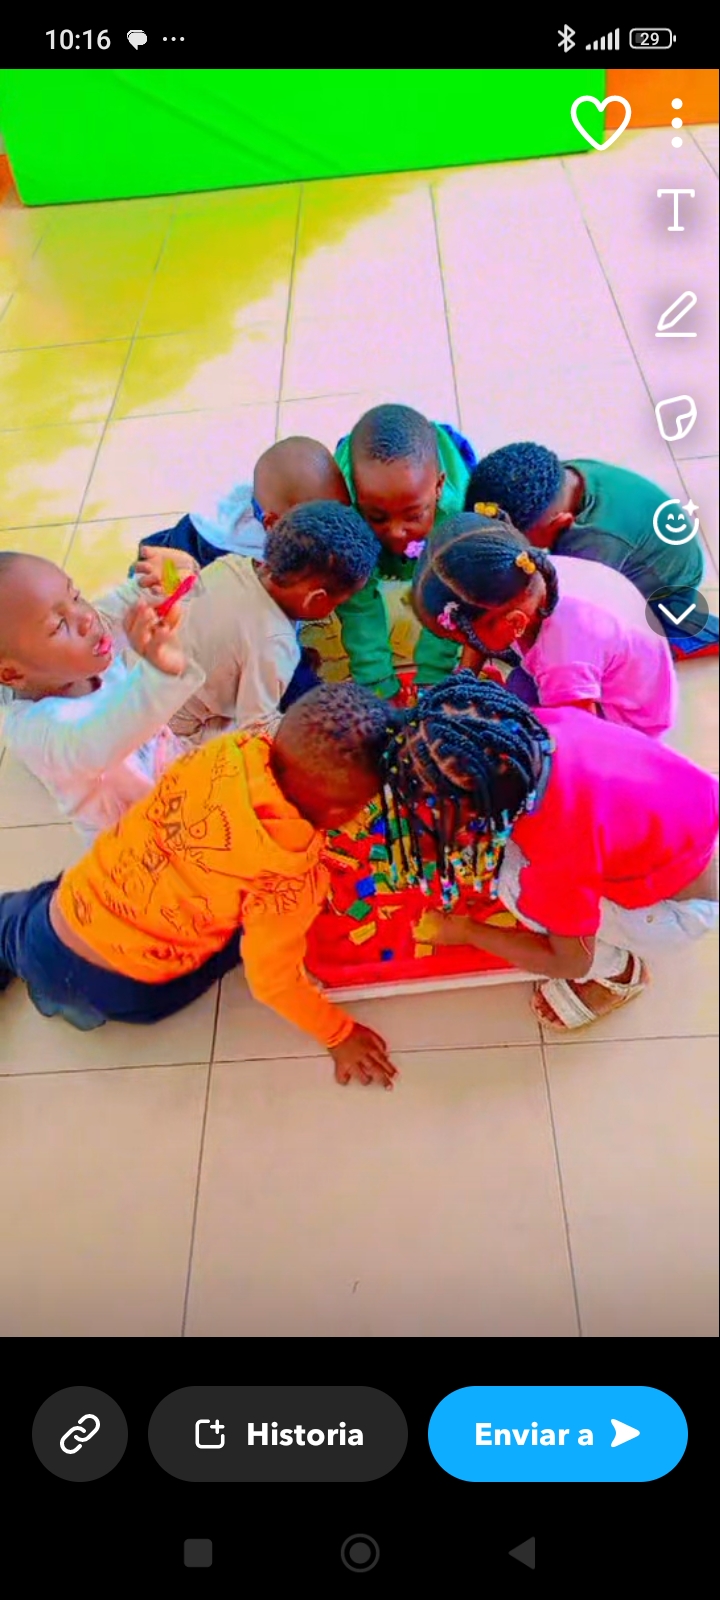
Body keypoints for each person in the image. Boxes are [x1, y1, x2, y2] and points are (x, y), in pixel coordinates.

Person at [0, 682, 399, 1089]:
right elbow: (273, 982)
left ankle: (35, 972)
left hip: (58, 918)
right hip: (129, 990)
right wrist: (338, 1034)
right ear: (341, 811)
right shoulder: (292, 878)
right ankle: (62, 992)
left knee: (14, 919)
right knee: (238, 943)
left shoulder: (224, 751)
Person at [377, 674, 718, 1030]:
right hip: (691, 833)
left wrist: (467, 932)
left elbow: (570, 962)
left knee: (513, 884)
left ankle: (619, 974)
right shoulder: (535, 728)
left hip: (679, 912)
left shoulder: (556, 856)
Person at [130, 501, 380, 744]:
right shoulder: (274, 642)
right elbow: (257, 726)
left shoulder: (232, 564)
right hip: (165, 730)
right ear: (316, 599)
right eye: (339, 603)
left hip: (134, 676)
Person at [412, 511, 677, 737]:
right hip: (613, 674)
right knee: (508, 694)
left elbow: (582, 738)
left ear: (514, 622)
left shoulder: (563, 658)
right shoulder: (525, 573)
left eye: (463, 639)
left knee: (511, 732)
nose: (466, 645)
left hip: (627, 724)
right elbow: (476, 628)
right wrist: (462, 682)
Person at [0, 552, 205, 842]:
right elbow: (102, 737)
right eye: (58, 626)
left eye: (75, 595)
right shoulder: (38, 733)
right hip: (137, 840)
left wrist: (168, 577)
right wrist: (160, 673)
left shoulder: (84, 647)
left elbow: (130, 601)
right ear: (11, 674)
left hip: (172, 777)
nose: (86, 617)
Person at [465, 443, 718, 659]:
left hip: (668, 584)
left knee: (631, 646)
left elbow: (576, 609)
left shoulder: (592, 544)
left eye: (521, 542)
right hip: (647, 541)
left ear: (560, 523)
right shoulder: (558, 479)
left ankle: (703, 636)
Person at [333, 404, 477, 697]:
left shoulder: (457, 516)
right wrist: (376, 682)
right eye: (378, 517)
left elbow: (453, 598)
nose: (397, 531)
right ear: (358, 497)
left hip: (446, 481)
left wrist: (434, 677)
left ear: (438, 487)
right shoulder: (346, 511)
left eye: (413, 515)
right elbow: (357, 602)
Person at [136, 436, 352, 567]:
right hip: (195, 549)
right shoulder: (248, 548)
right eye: (323, 528)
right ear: (272, 524)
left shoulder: (284, 505)